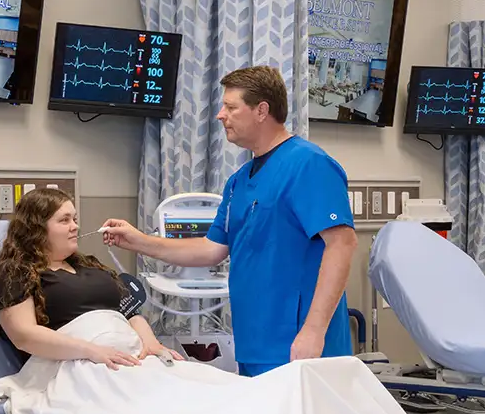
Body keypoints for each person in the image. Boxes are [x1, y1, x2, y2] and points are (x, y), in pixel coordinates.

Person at [102, 65, 359, 377]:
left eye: (231, 107)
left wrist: (314, 330)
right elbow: (212, 250)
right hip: (255, 340)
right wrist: (138, 241)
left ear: (261, 110)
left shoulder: (309, 165)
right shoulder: (239, 181)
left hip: (299, 342)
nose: (220, 115)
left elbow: (343, 244)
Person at [0, 188, 182, 368]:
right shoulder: (15, 273)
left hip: (128, 357)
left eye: (74, 219)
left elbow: (129, 312)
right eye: (64, 220)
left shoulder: (89, 266)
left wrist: (152, 343)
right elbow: (24, 335)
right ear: (35, 229)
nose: (75, 226)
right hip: (75, 364)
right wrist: (92, 351)